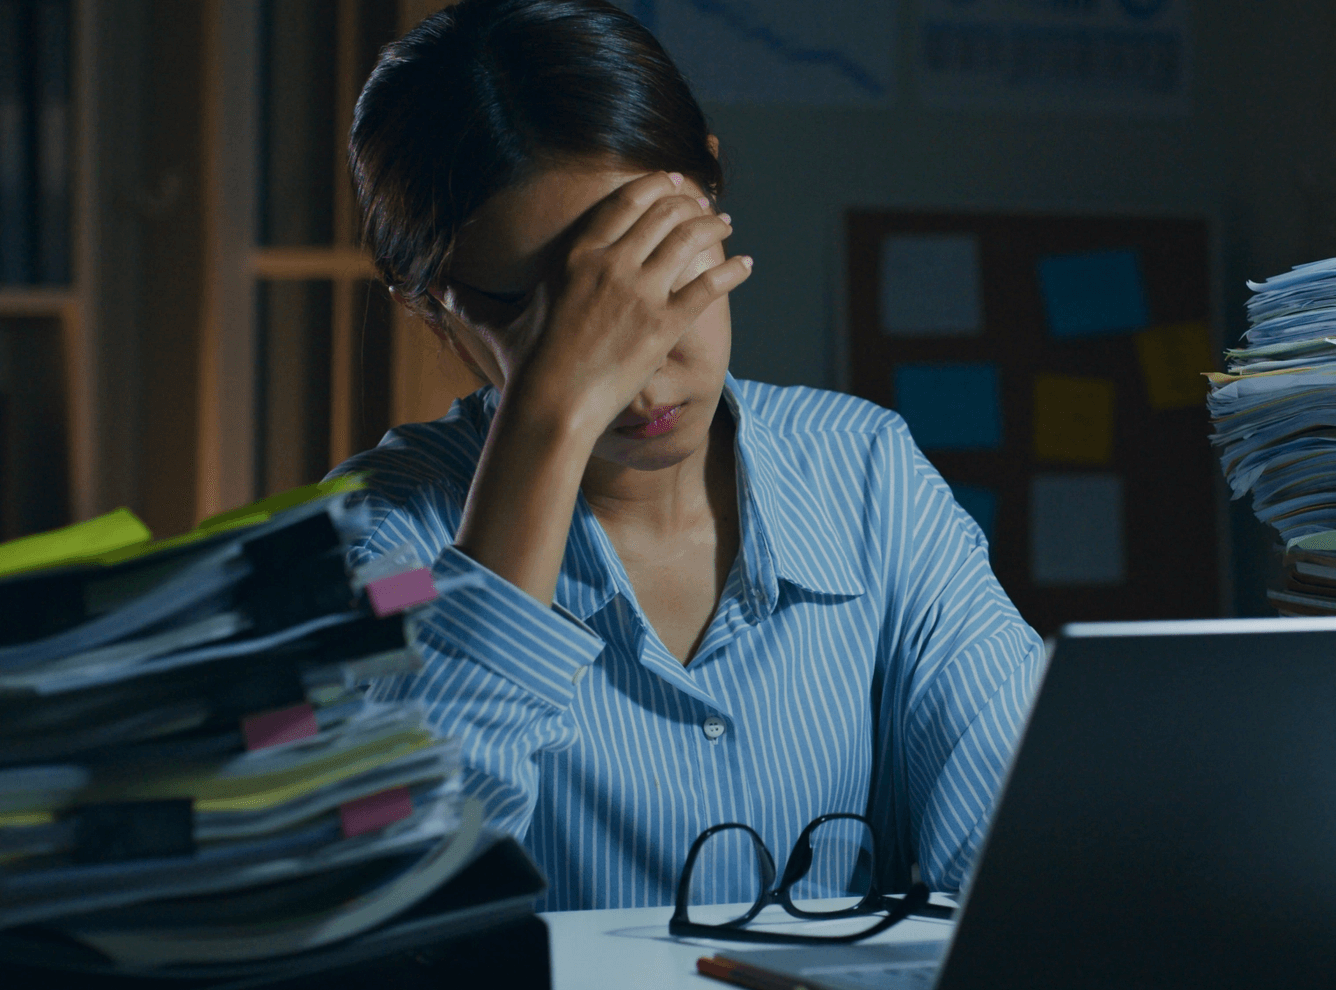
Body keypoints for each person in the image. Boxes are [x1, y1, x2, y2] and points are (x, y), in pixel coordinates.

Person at [332, 0, 1043, 912]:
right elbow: (402, 892)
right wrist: (548, 418)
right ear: (433, 306)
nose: (635, 381)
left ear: (708, 189)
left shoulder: (867, 475)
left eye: (655, 275)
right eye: (540, 319)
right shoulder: (378, 542)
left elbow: (1021, 851)